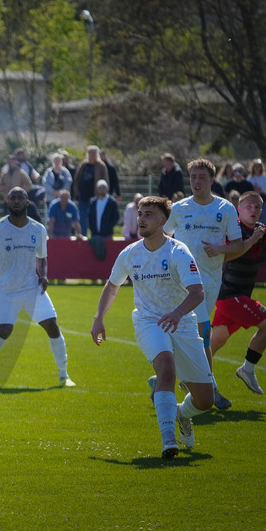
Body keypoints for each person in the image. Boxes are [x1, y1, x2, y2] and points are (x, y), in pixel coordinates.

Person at [90, 196, 213, 458]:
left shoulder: (178, 251)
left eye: (149, 214)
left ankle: (180, 413)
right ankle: (169, 439)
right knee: (166, 369)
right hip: (148, 321)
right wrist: (98, 317)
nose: (142, 219)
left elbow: (198, 292)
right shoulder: (130, 253)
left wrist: (178, 313)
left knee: (205, 400)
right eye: (140, 214)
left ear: (162, 221)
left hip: (182, 322)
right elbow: (113, 286)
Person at [160, 159, 246, 410]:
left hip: (209, 281)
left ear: (211, 180)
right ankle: (210, 389)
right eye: (193, 177)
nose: (196, 181)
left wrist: (219, 249)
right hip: (181, 283)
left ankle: (169, 379)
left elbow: (238, 245)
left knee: (196, 335)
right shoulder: (179, 208)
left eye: (201, 177)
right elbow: (163, 236)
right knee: (201, 335)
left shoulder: (226, 208)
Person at [0, 187, 74, 389]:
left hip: (31, 288)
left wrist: (44, 275)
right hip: (5, 290)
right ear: (8, 202)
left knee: (52, 326)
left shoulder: (38, 229)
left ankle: (64, 375)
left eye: (20, 198)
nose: (16, 201)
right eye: (12, 198)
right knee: (4, 330)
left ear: (27, 202)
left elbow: (42, 257)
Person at [207, 191, 266, 397]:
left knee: (214, 344)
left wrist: (258, 236)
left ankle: (163, 379)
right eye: (248, 206)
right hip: (230, 295)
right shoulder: (234, 230)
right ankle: (247, 369)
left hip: (236, 297)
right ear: (238, 210)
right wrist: (252, 239)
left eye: (257, 207)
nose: (253, 210)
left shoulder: (261, 232)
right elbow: (228, 252)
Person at [72, 146, 108, 237]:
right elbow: (76, 179)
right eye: (90, 153)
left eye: (93, 153)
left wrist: (103, 195)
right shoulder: (83, 165)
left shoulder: (101, 166)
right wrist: (77, 192)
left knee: (94, 218)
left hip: (96, 198)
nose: (91, 155)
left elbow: (106, 181)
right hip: (83, 196)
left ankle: (94, 236)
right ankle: (83, 235)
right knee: (83, 217)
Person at [87, 179, 120, 260]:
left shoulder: (112, 202)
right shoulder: (93, 202)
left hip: (107, 234)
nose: (102, 190)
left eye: (104, 187)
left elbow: (116, 217)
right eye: (100, 188)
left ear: (107, 189)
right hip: (95, 234)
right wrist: (92, 228)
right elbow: (90, 217)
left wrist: (108, 227)